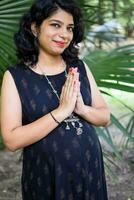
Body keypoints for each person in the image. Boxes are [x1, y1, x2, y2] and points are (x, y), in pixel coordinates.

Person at [0, 0, 110, 199]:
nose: (64, 34)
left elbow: (104, 117)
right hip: (46, 176)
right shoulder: (15, 76)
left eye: (69, 28)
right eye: (55, 25)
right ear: (35, 28)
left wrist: (82, 108)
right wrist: (61, 111)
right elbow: (11, 140)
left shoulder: (79, 68)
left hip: (89, 171)